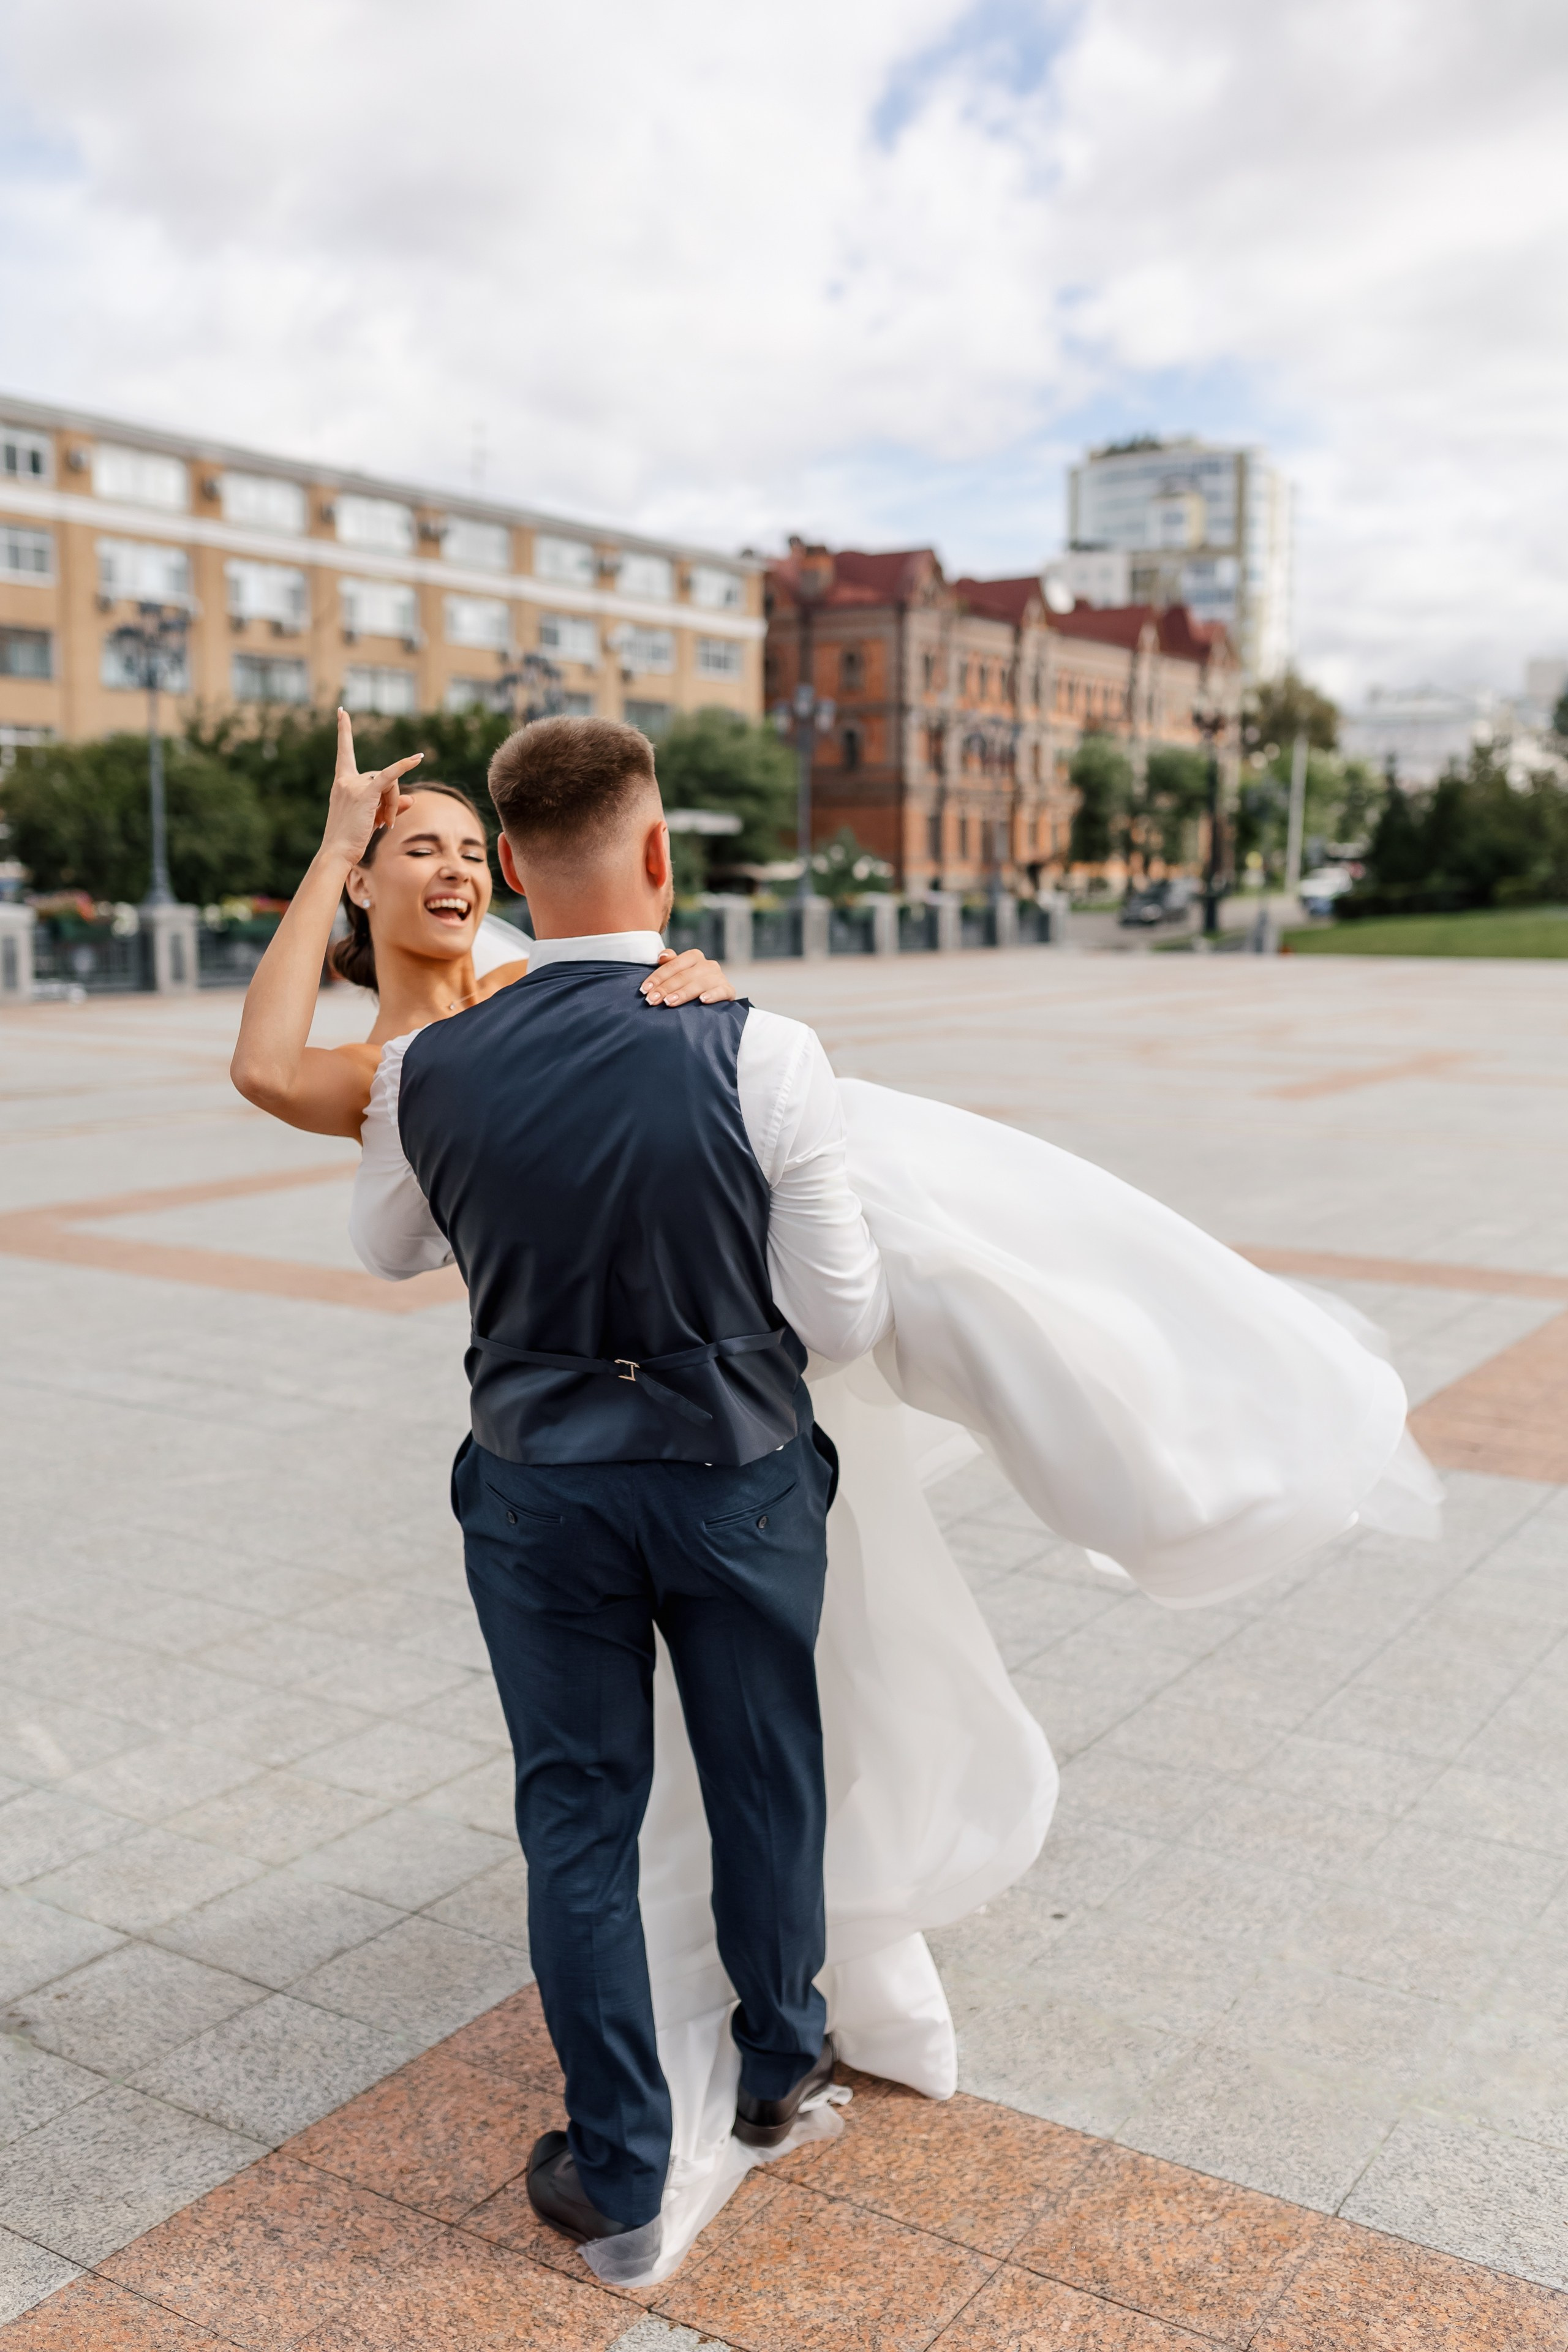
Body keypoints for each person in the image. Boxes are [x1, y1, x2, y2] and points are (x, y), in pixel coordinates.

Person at [228, 715, 734, 1142]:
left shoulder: (537, 981)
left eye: (472, 853)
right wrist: (336, 851)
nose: (457, 869)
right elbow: (264, 1074)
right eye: (423, 851)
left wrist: (701, 991)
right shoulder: (379, 1072)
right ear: (360, 885)